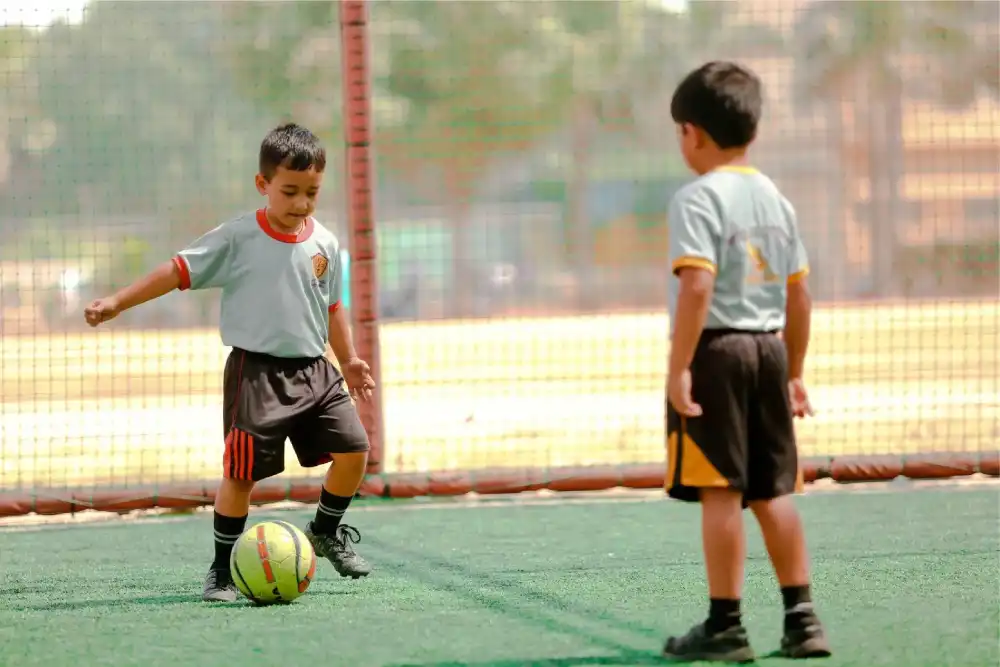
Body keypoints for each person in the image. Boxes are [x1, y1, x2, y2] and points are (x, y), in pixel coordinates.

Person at [85, 123, 376, 602]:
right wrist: (118, 301)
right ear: (263, 185)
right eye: (289, 191)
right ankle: (221, 571)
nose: (301, 203)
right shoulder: (238, 237)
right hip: (256, 375)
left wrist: (350, 360)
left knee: (354, 451)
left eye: (312, 193)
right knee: (240, 476)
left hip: (316, 371)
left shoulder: (325, 243)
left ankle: (324, 531)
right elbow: (177, 271)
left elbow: (332, 307)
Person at [662, 61, 831, 662]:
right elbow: (799, 294)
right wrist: (793, 371)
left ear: (693, 133)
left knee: (721, 492)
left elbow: (697, 288)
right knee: (772, 490)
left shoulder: (696, 198)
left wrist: (680, 366)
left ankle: (726, 625)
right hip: (769, 349)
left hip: (720, 354)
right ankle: (802, 619)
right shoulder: (775, 200)